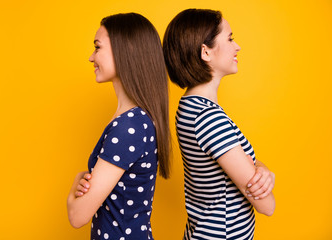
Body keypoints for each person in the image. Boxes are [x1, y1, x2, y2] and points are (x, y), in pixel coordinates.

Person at [162, 9, 275, 239]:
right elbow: (267, 206)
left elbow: (229, 166)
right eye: (230, 38)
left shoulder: (189, 107)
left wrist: (260, 169)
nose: (237, 47)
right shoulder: (208, 118)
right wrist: (262, 177)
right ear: (205, 51)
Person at [67, 13, 171, 240]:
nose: (91, 57)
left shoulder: (128, 127)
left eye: (97, 47)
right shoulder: (136, 120)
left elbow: (78, 216)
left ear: (127, 51)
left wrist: (76, 183)